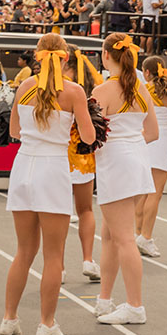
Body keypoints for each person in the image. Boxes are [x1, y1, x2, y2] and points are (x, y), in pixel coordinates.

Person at [0, 33, 96, 335]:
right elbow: (90, 136)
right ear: (66, 57)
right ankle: (46, 323)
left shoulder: (25, 85)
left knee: (23, 251)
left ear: (38, 56)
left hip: (24, 165)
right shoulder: (74, 91)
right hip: (52, 168)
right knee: (54, 256)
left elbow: (14, 130)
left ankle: (9, 318)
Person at [92, 33, 160, 324]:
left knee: (123, 238)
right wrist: (130, 146)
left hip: (117, 164)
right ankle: (104, 299)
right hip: (135, 160)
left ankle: (135, 306)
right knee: (109, 234)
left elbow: (89, 135)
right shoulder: (140, 88)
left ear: (107, 55)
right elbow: (153, 132)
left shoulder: (104, 90)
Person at [135, 56, 167, 258]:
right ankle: (146, 237)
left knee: (140, 192)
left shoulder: (140, 91)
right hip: (161, 141)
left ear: (146, 73)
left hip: (142, 139)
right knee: (155, 194)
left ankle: (137, 233)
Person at [62, 46, 101, 282]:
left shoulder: (56, 87)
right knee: (85, 209)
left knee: (58, 212)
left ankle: (61, 267)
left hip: (59, 154)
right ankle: (88, 259)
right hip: (83, 154)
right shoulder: (90, 89)